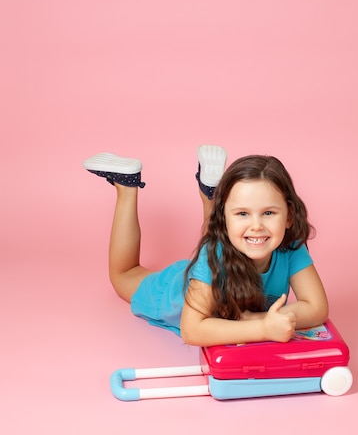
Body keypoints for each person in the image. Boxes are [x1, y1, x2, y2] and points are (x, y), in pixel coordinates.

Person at [82, 145, 328, 347]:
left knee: (219, 243)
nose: (257, 226)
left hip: (211, 265)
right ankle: (127, 186)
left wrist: (262, 318)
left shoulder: (290, 245)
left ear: (289, 216)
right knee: (123, 275)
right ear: (225, 217)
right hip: (175, 289)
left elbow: (317, 307)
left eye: (268, 213)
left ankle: (211, 194)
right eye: (242, 213)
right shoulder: (214, 255)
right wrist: (263, 327)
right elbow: (193, 330)